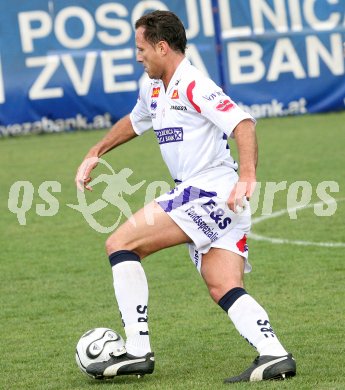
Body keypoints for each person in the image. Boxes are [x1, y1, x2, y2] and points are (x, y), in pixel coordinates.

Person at [75, 10, 296, 383]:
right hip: (211, 196)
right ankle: (274, 355)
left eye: (141, 48)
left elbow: (242, 123)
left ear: (162, 47)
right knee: (222, 284)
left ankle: (137, 350)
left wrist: (247, 177)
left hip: (209, 189)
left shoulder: (194, 83)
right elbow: (135, 120)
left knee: (121, 243)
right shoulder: (154, 86)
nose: (137, 55)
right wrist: (96, 150)